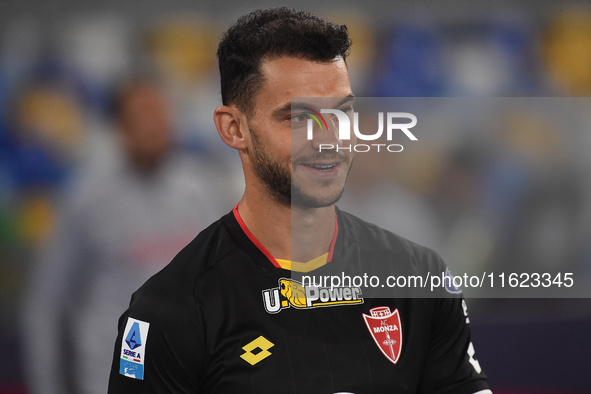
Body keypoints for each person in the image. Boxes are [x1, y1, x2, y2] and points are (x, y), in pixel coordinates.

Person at [108, 8, 492, 393]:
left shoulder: (419, 278)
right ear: (233, 128)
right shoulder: (169, 311)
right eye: (297, 119)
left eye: (341, 113)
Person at [22, 78, 226, 394]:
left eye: (160, 113)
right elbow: (48, 303)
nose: (155, 125)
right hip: (109, 376)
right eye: (142, 116)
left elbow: (225, 287)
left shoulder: (200, 189)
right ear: (120, 127)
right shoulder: (86, 197)